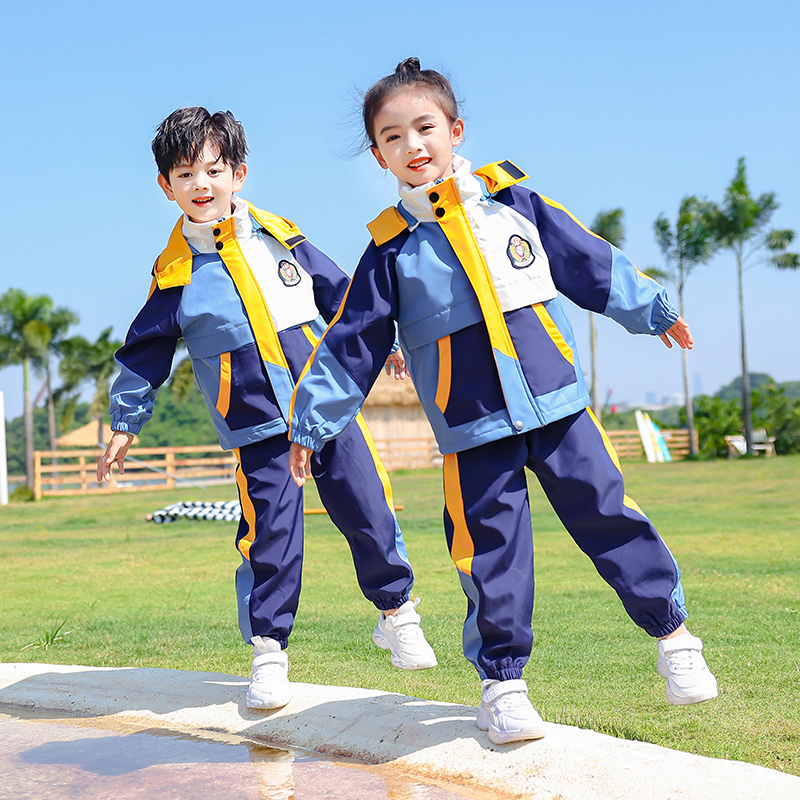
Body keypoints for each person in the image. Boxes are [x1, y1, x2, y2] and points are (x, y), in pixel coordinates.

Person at [288, 59, 718, 745]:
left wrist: (653, 310)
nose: (412, 145)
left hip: (559, 410)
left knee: (611, 517)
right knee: (490, 554)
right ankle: (503, 685)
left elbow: (589, 261)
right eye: (393, 137)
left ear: (456, 131)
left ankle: (675, 639)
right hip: (472, 430)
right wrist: (310, 423)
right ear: (378, 156)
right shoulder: (389, 254)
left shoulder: (515, 205)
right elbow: (350, 346)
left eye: (425, 128)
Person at [96, 106, 436, 711]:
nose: (201, 185)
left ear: (239, 173)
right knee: (272, 536)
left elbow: (344, 295)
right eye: (185, 175)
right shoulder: (174, 272)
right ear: (166, 187)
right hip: (256, 426)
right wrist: (125, 421)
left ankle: (397, 612)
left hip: (324, 407)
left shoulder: (279, 233)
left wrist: (383, 347)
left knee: (368, 507)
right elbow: (145, 349)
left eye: (213, 170)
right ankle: (269, 652)